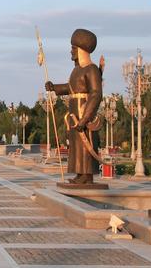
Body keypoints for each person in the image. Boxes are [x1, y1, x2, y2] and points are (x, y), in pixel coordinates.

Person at [46, 29, 102, 185]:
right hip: (74, 111)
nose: (71, 51)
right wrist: (54, 87)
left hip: (84, 112)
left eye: (73, 48)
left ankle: (87, 175)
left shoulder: (91, 69)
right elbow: (71, 88)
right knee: (77, 145)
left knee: (86, 143)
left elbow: (96, 94)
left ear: (82, 51)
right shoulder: (76, 70)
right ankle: (80, 174)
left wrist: (85, 118)